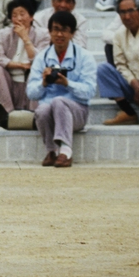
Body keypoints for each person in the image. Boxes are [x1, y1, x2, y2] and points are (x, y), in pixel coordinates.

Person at [28, 11, 97, 167]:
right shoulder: (42, 57)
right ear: (50, 32)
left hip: (77, 111)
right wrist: (43, 83)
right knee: (42, 109)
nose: (59, 34)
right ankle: (51, 151)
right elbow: (31, 93)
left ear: (72, 33)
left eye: (64, 30)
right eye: (55, 29)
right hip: (50, 112)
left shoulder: (85, 57)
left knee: (58, 101)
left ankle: (66, 151)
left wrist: (67, 83)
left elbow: (90, 91)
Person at [0, 1, 50, 126]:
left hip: (30, 81)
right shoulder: (4, 34)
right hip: (10, 81)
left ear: (31, 17)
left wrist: (25, 38)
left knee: (36, 71)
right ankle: (10, 113)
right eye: (14, 15)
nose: (19, 18)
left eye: (22, 14)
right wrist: (20, 65)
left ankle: (34, 115)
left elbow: (41, 60)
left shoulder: (43, 34)